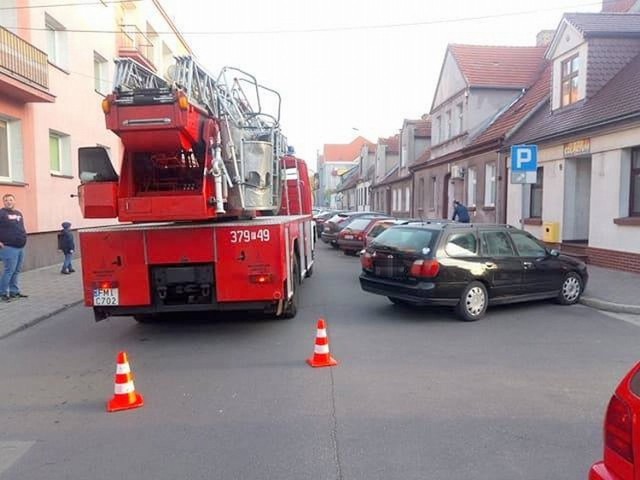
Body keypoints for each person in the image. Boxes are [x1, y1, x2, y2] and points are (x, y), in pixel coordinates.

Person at [0, 193, 28, 302]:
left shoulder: (18, 213)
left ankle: (14, 292)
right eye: (6, 200)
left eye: (10, 200)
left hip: (21, 246)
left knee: (17, 270)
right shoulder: (1, 213)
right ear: (4, 202)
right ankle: (2, 293)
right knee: (9, 271)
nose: (8, 202)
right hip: (8, 247)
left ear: (14, 201)